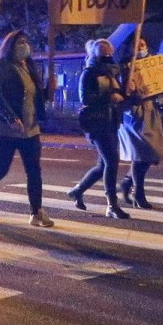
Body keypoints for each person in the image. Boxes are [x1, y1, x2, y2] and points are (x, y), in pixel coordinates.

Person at [0, 30, 55, 228]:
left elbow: (34, 97)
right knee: (1, 169)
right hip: (5, 128)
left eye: (26, 42)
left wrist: (48, 91)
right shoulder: (0, 67)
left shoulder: (29, 67)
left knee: (34, 171)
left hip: (30, 128)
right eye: (19, 43)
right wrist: (11, 118)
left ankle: (36, 212)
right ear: (10, 46)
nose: (24, 46)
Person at [66, 39, 130, 218]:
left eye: (109, 49)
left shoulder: (114, 72)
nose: (107, 53)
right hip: (96, 123)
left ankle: (77, 191)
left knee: (103, 165)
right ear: (95, 52)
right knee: (111, 161)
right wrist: (110, 97)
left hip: (112, 122)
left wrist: (128, 94)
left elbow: (121, 97)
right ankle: (112, 204)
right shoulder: (89, 73)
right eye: (103, 50)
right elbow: (86, 99)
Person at [118, 38, 163, 210]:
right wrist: (128, 88)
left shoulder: (156, 62)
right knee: (140, 154)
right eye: (136, 44)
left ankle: (127, 182)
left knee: (151, 154)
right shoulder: (126, 66)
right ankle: (138, 193)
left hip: (152, 111)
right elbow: (120, 91)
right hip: (135, 113)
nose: (140, 45)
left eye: (143, 42)